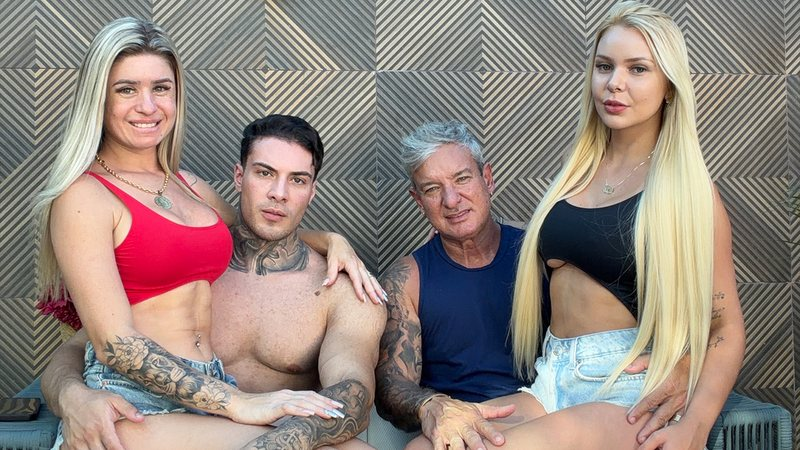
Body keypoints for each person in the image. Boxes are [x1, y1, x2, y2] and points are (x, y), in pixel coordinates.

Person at [35, 17, 383, 450]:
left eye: (161, 88)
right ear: (99, 98)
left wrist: (330, 240)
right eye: (127, 89)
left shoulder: (189, 187)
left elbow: (260, 227)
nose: (147, 106)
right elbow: (114, 344)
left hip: (206, 394)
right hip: (133, 399)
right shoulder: (84, 196)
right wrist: (240, 402)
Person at [482, 2, 745, 449]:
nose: (614, 83)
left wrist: (694, 428)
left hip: (625, 385)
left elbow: (725, 327)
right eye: (604, 66)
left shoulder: (687, 191)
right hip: (551, 381)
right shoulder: (577, 173)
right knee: (428, 444)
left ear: (668, 86)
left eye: (637, 69)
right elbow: (585, 240)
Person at [375, 121, 693, 450]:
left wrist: (681, 358)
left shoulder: (541, 250)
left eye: (462, 179)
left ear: (488, 178)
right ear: (418, 200)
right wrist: (431, 406)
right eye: (432, 189)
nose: (451, 200)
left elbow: (632, 292)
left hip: (555, 410)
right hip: (474, 421)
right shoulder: (407, 279)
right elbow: (391, 386)